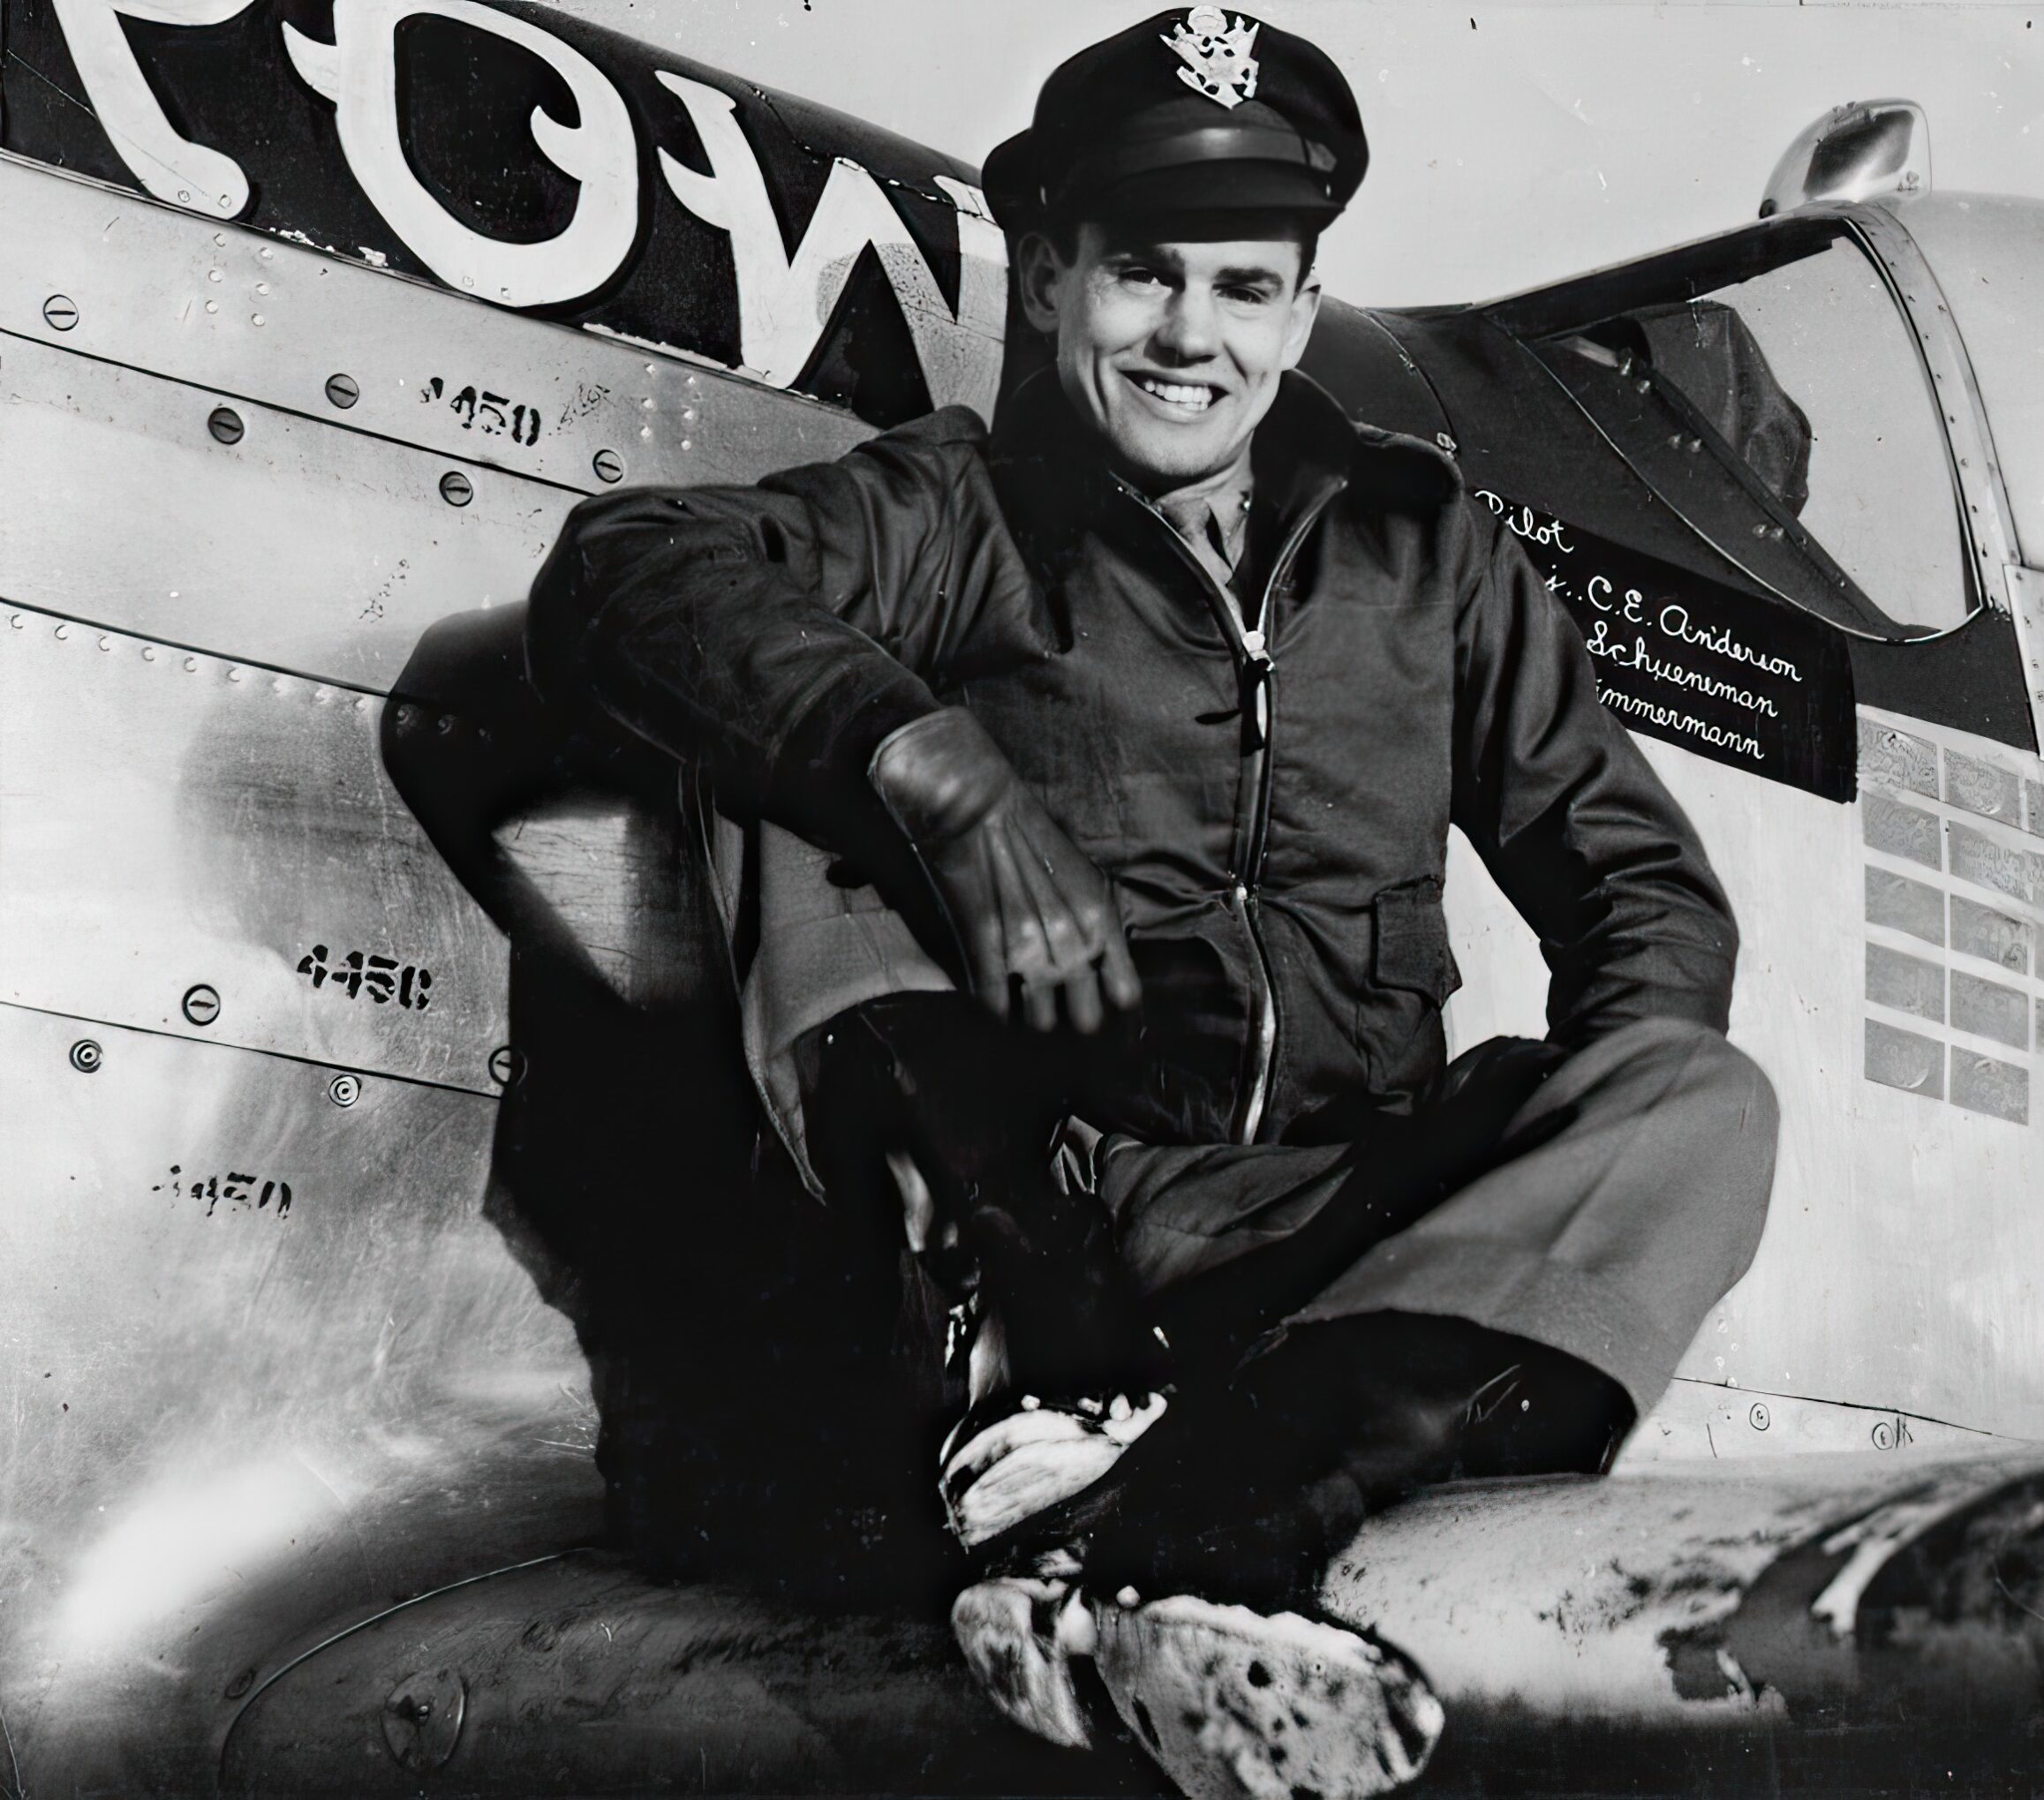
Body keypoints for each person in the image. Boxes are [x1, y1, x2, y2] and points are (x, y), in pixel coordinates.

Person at [524, 8, 1778, 1791]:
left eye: (1246, 287)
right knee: (781, 755)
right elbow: (634, 573)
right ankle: (1082, 1429)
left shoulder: (1426, 553)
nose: (1192, 336)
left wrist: (1536, 1203)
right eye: (1140, 274)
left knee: (1699, 1097)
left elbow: (1636, 886)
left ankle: (1201, 1516)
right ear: (1048, 278)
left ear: (1297, 304)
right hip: (1054, 1217)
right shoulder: (958, 510)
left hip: (1329, 1227)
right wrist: (943, 787)